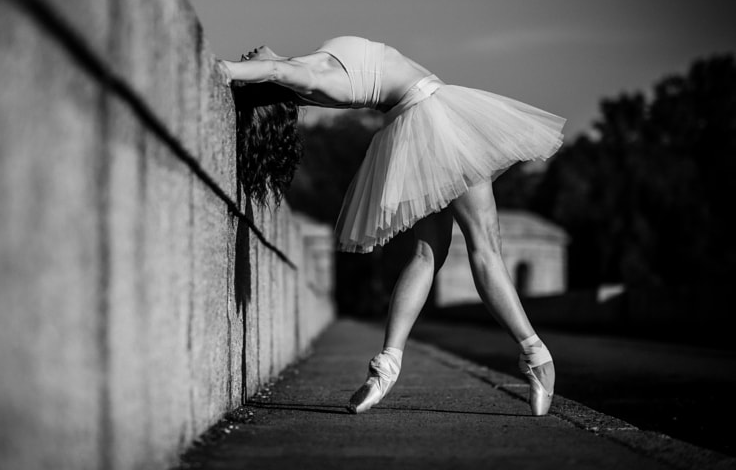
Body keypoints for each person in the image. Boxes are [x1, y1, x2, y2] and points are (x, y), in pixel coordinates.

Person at [219, 36, 563, 416]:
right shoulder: (302, 75)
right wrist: (227, 70)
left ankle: (387, 364)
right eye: (245, 62)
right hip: (435, 116)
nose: (247, 51)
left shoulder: (305, 81)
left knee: (428, 253)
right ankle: (536, 354)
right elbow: (273, 68)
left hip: (412, 130)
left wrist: (247, 78)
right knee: (486, 248)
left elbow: (276, 71)